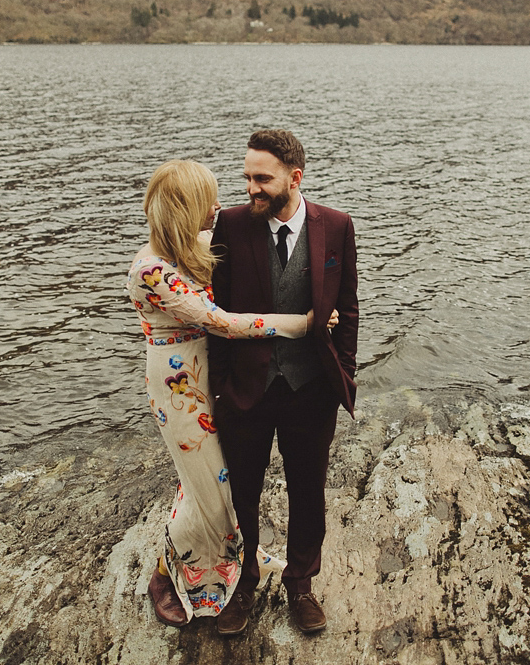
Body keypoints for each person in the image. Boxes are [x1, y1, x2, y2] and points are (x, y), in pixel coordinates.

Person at [126, 159, 333, 628]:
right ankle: (165, 574)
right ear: (185, 208)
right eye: (208, 199)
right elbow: (224, 322)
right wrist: (303, 323)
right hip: (180, 389)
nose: (220, 205)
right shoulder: (151, 269)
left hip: (213, 378)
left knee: (214, 483)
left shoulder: (196, 244)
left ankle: (228, 563)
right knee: (209, 490)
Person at [208, 129, 359, 636]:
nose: (250, 187)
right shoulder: (230, 224)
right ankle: (244, 582)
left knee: (307, 491)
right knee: (243, 493)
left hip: (311, 388)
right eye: (247, 176)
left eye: (262, 178)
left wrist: (345, 371)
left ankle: (300, 584)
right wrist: (221, 386)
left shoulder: (336, 226)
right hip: (246, 391)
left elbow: (350, 306)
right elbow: (216, 313)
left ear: (295, 178)